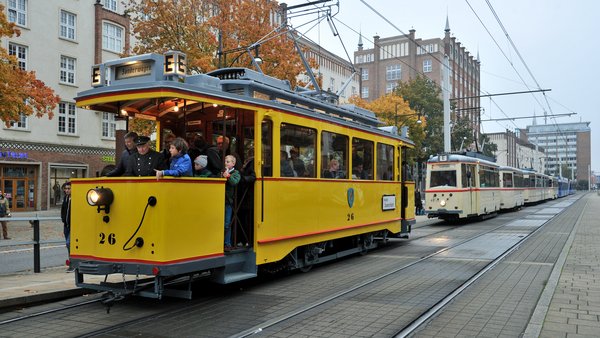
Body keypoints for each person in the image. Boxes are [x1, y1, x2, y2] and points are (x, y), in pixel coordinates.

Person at [223, 154, 241, 250]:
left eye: (228, 161)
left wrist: (228, 176)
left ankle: (227, 243)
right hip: (221, 199)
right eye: (225, 161)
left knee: (227, 223)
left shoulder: (236, 172)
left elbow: (235, 182)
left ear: (233, 163)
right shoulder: (222, 171)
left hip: (228, 201)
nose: (226, 163)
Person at [60, 182, 74, 271]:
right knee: (68, 244)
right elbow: (63, 210)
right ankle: (71, 263)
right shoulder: (65, 198)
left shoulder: (75, 198)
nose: (67, 190)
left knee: (69, 243)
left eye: (69, 188)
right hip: (66, 225)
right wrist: (63, 219)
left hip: (74, 226)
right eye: (66, 189)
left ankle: (72, 264)